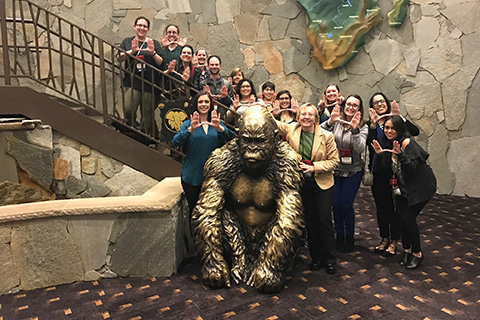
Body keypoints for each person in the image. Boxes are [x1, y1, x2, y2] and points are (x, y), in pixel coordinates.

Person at [276, 103, 339, 274]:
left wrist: (314, 167)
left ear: (316, 118)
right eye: (303, 114)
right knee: (310, 221)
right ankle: (316, 258)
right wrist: (260, 108)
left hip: (322, 182)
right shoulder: (292, 130)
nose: (306, 117)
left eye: (310, 114)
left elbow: (334, 161)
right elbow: (273, 123)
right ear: (298, 116)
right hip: (302, 183)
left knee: (323, 220)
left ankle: (329, 258)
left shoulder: (326, 136)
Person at [371, 115, 436, 269]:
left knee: (408, 218)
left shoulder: (407, 142)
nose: (389, 131)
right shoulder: (389, 142)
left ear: (400, 129)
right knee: (401, 217)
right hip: (403, 187)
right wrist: (381, 155)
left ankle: (417, 253)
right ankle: (406, 250)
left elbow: (412, 168)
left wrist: (400, 154)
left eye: (392, 128)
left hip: (421, 187)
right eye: (386, 128)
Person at [367, 92, 420, 256]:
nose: (380, 104)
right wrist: (374, 126)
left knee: (397, 208)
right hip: (379, 171)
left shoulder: (396, 121)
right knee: (382, 207)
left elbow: (415, 131)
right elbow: (370, 143)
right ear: (372, 106)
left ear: (387, 103)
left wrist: (400, 118)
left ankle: (395, 241)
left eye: (382, 101)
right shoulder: (372, 124)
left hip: (396, 172)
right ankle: (384, 238)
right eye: (376, 102)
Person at [172, 90, 235, 213]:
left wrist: (220, 128)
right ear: (196, 104)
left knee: (213, 212)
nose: (203, 104)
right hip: (192, 175)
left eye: (206, 101)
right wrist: (190, 129)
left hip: (214, 176)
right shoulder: (188, 124)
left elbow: (232, 138)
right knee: (195, 212)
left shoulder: (216, 122)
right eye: (200, 102)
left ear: (210, 104)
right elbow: (175, 141)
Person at [321, 95, 368, 252]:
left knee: (346, 204)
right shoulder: (337, 122)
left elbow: (360, 148)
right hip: (335, 169)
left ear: (359, 108)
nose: (351, 107)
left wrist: (355, 130)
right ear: (344, 105)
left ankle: (349, 236)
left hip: (353, 170)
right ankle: (339, 235)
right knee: (335, 203)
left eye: (355, 105)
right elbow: (318, 132)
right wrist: (330, 122)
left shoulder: (363, 126)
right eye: (349, 104)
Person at [118, 16, 164, 136]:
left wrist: (152, 52)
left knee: (147, 113)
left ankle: (146, 137)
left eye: (145, 26)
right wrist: (132, 51)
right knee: (128, 108)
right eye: (139, 25)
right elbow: (119, 57)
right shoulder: (128, 41)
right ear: (135, 26)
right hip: (132, 81)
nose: (142, 28)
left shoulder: (154, 43)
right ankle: (133, 128)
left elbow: (161, 62)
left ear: (148, 29)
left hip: (149, 83)